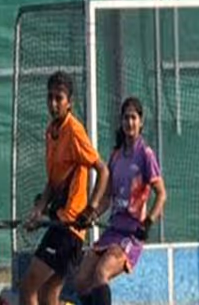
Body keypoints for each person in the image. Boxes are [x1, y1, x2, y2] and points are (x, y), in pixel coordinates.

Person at [19, 71, 110, 305]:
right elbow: (52, 182)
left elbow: (103, 170)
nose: (53, 103)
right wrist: (38, 211)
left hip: (70, 229)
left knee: (29, 285)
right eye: (50, 97)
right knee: (49, 295)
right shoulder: (51, 132)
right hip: (59, 222)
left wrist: (90, 209)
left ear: (69, 102)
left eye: (59, 98)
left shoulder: (75, 131)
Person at [73, 97, 167, 305]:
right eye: (126, 118)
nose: (129, 123)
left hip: (131, 235)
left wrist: (148, 222)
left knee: (101, 273)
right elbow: (107, 198)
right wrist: (91, 214)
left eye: (133, 118)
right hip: (113, 231)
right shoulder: (115, 156)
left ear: (141, 122)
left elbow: (161, 194)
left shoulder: (145, 154)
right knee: (80, 281)